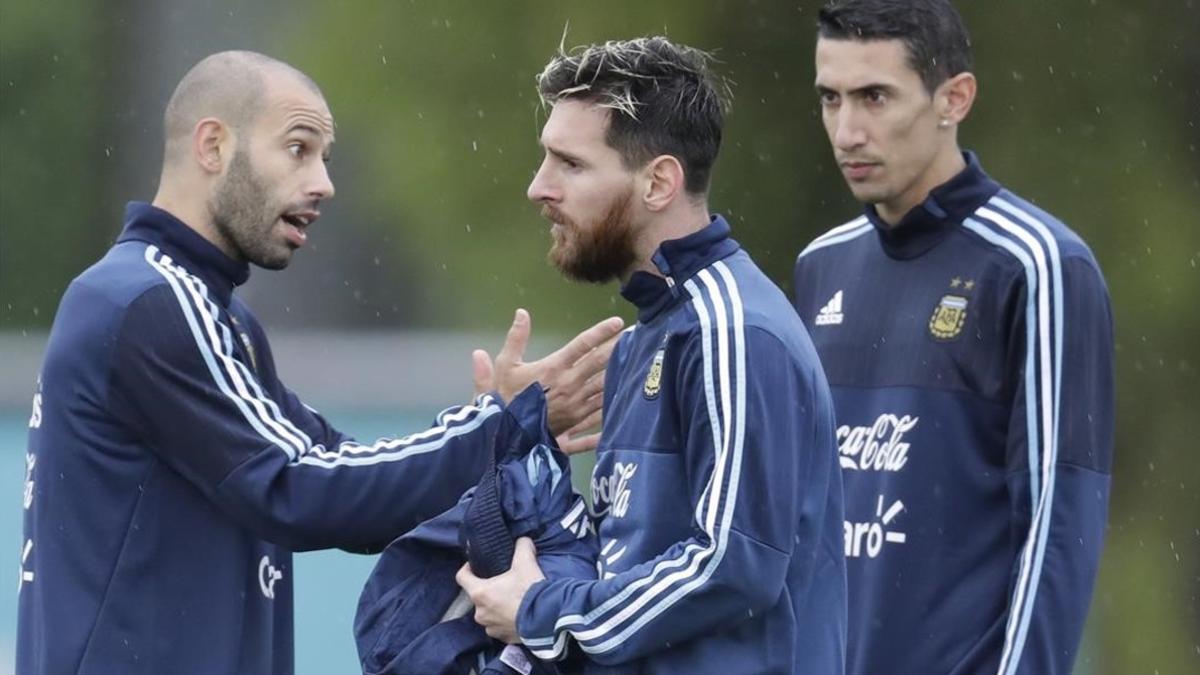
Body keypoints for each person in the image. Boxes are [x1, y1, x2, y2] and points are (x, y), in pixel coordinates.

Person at [16, 50, 622, 675]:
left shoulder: (208, 312)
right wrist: (497, 424)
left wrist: (494, 428)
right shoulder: (149, 301)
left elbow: (343, 481)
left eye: (324, 159)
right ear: (213, 146)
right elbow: (300, 487)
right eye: (298, 148)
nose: (323, 184)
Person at [457, 36, 847, 673]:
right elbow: (627, 565)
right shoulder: (649, 335)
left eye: (570, 164)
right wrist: (515, 443)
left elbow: (731, 564)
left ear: (659, 182)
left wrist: (541, 612)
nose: (538, 188)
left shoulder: (732, 330)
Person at [792, 2, 1115, 673]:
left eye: (875, 97)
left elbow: (1057, 533)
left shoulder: (1039, 266)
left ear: (953, 98)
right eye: (831, 99)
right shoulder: (820, 266)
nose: (847, 130)